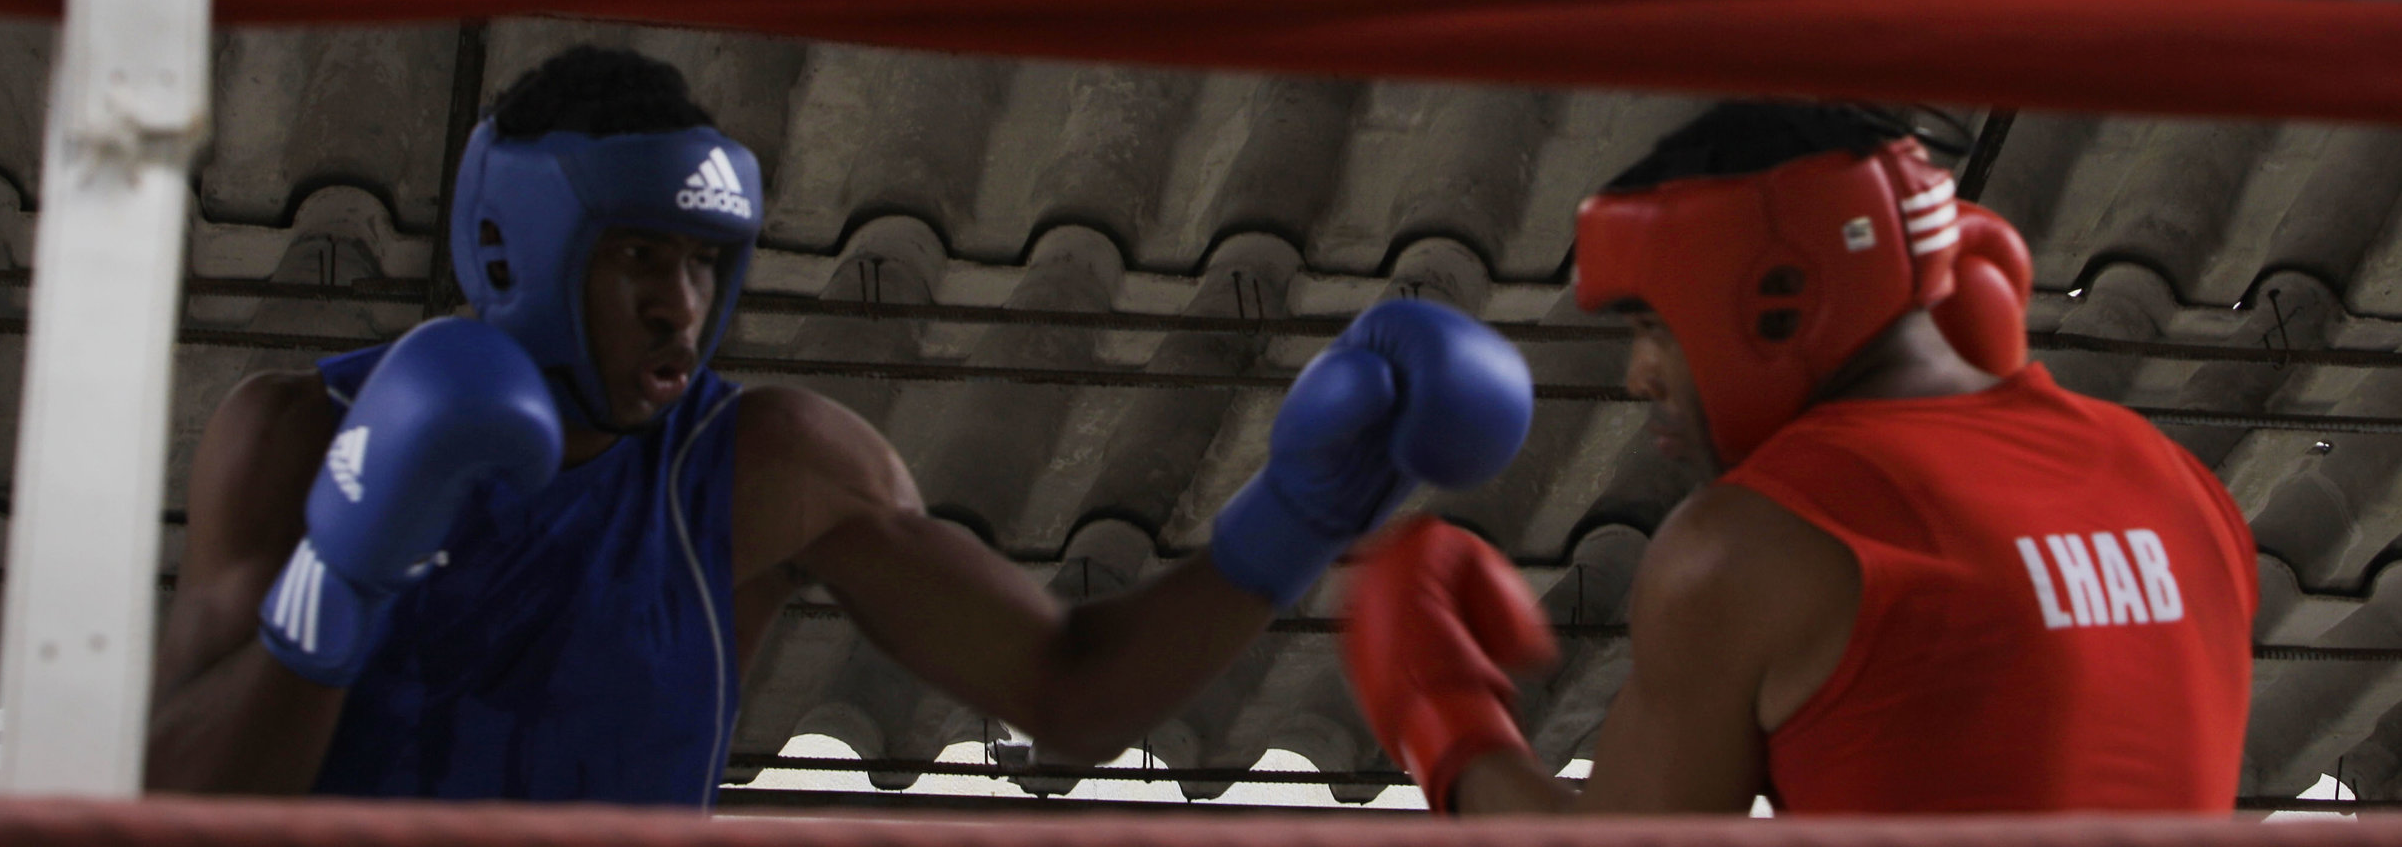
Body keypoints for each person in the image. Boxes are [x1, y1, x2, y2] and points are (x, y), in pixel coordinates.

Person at [147, 44, 1536, 804]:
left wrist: (1301, 514)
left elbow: (1067, 691)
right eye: (638, 259)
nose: (681, 310)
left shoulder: (767, 469)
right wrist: (344, 574)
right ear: (514, 250)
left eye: (702, 266)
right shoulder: (294, 436)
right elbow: (167, 807)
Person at [1338, 102, 2258, 815]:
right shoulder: (2181, 486)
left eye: (1656, 326)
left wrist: (1440, 710)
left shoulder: (1759, 541)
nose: (1639, 375)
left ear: (1773, 301)